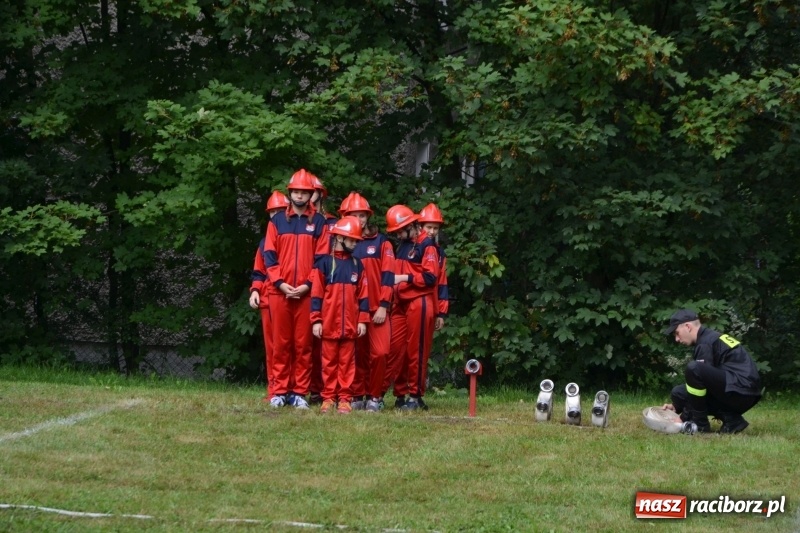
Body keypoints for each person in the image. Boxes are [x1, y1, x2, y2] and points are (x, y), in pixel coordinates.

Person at [263, 169, 330, 409]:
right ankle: (280, 391)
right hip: (279, 292)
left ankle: (299, 392)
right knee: (281, 344)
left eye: (304, 192)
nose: (300, 195)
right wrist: (280, 284)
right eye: (296, 191)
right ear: (290, 193)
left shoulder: (319, 222)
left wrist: (306, 285)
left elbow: (322, 260)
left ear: (311, 194)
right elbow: (269, 256)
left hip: (306, 294)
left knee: (303, 345)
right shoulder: (277, 222)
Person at [661, 309, 761, 434]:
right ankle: (732, 420)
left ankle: (700, 425)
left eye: (677, 333)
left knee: (694, 369)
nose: (676, 339)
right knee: (679, 393)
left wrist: (683, 417)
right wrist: (676, 407)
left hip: (739, 391)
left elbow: (700, 378)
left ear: (688, 327)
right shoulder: (710, 338)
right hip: (743, 392)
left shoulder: (705, 343)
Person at [341, 193, 395, 412]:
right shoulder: (342, 244)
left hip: (377, 310)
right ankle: (357, 394)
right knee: (356, 355)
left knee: (380, 353)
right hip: (352, 311)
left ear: (368, 217)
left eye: (362, 215)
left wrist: (384, 305)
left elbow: (389, 275)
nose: (359, 219)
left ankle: (375, 396)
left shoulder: (381, 242)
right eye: (354, 215)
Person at [310, 216, 370, 414]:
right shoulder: (325, 263)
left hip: (350, 325)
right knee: (328, 363)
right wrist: (316, 320)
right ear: (339, 238)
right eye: (351, 240)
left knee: (347, 363)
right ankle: (328, 397)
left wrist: (362, 320)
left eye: (356, 240)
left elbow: (364, 295)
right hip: (328, 324)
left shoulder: (357, 265)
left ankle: (344, 398)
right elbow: (316, 294)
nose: (354, 244)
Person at [384, 204, 440, 411]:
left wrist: (404, 278)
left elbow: (431, 277)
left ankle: (415, 396)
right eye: (396, 232)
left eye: (400, 231)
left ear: (411, 225)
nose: (398, 235)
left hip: (419, 301)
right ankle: (399, 394)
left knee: (417, 350)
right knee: (395, 349)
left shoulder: (427, 245)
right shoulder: (403, 245)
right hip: (400, 302)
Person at [249, 191, 291, 400]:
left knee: (292, 345)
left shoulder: (294, 237)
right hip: (268, 299)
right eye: (273, 212)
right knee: (273, 347)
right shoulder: (264, 242)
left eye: (280, 211)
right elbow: (259, 271)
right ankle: (274, 389)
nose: (276, 215)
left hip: (292, 296)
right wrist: (255, 290)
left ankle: (292, 389)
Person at [308, 175, 338, 405]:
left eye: (313, 191)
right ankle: (309, 389)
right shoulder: (298, 220)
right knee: (306, 342)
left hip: (330, 287)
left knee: (326, 343)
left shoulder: (332, 223)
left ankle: (328, 390)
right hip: (303, 285)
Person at [417, 203, 449, 332]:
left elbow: (442, 282)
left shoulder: (439, 252)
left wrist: (441, 313)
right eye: (429, 227)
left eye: (435, 228)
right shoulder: (412, 247)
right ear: (420, 226)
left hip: (431, 305)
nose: (432, 232)